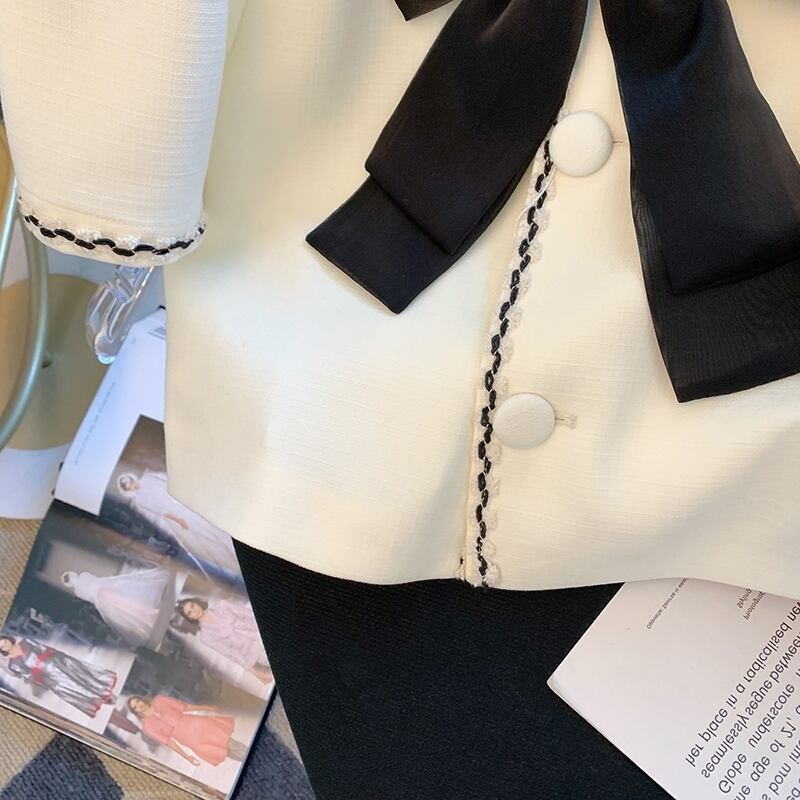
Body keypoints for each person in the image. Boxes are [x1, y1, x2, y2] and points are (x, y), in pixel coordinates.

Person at [116, 471, 239, 574]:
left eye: (131, 482)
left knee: (209, 523)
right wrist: (178, 520)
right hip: (176, 515)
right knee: (200, 535)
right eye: (129, 487)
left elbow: (167, 482)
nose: (132, 486)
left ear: (133, 479)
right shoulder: (140, 500)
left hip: (180, 501)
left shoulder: (149, 478)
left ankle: (230, 541)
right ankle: (228, 556)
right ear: (128, 490)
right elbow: (160, 511)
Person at [0, 634, 116, 719]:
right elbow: (29, 676)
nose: (6, 645)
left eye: (5, 642)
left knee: (80, 677)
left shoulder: (26, 642)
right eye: (2, 647)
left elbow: (43, 648)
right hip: (49, 678)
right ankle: (96, 700)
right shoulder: (13, 664)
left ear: (8, 639)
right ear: (2, 650)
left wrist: (55, 658)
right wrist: (42, 676)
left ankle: (104, 692)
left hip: (57, 662)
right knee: (73, 688)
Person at [61, 567, 172, 646]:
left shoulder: (79, 589)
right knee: (127, 607)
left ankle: (149, 615)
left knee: (128, 606)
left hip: (105, 596)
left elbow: (93, 590)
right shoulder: (81, 583)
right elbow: (94, 587)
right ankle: (149, 616)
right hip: (105, 597)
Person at [127, 694, 247, 766]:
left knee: (227, 741)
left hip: (197, 724)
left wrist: (208, 708)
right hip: (189, 739)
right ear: (135, 712)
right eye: (135, 707)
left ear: (141, 699)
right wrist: (186, 756)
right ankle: (246, 761)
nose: (139, 705)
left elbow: (184, 707)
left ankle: (248, 753)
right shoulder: (148, 727)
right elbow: (168, 742)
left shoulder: (160, 700)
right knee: (221, 751)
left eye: (137, 701)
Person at [175, 597, 272, 685]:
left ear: (197, 603)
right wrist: (257, 674)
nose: (194, 610)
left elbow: (248, 614)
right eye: (190, 612)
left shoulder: (222, 605)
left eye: (192, 605)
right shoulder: (206, 637)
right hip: (257, 654)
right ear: (190, 618)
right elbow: (231, 654)